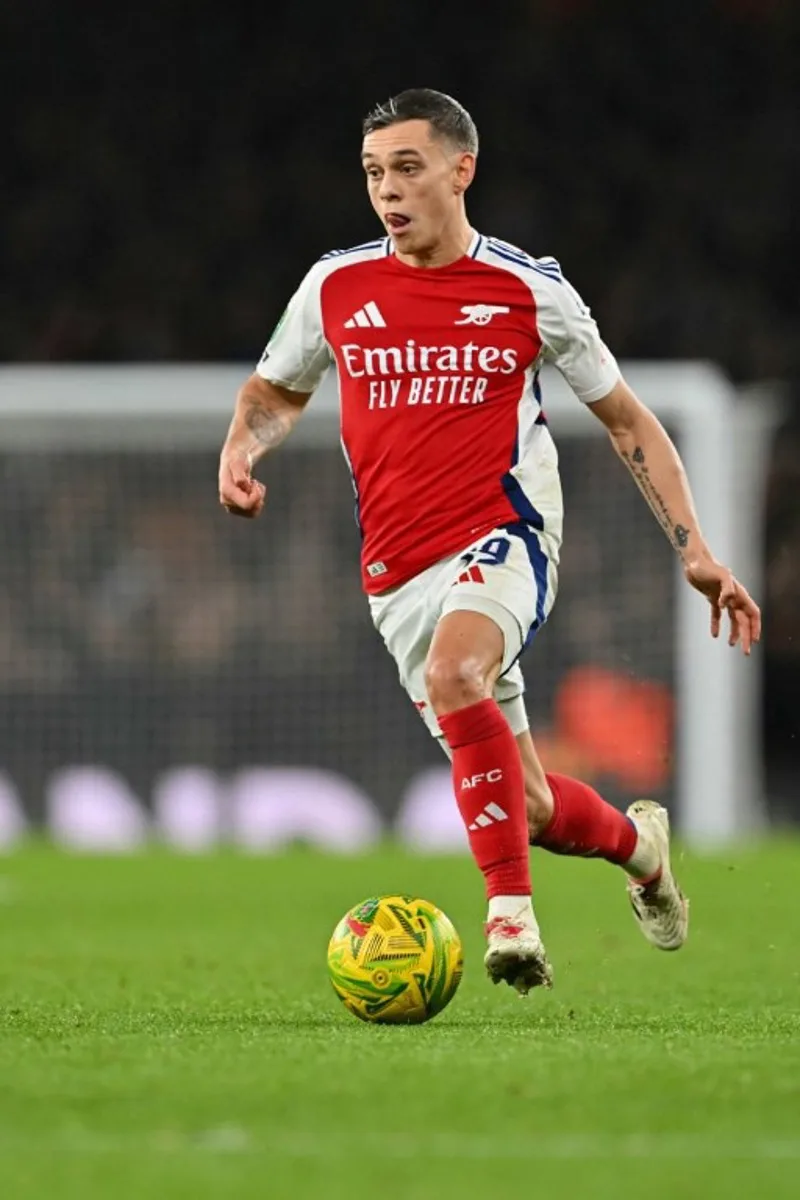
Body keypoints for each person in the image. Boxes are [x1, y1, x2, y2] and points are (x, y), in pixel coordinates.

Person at [218, 89, 761, 996]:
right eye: (372, 174)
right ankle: (643, 852)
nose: (387, 192)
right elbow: (274, 392)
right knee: (534, 806)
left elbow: (627, 420)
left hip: (505, 533)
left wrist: (695, 548)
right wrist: (241, 450)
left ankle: (510, 920)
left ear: (461, 169)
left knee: (457, 672)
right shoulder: (335, 286)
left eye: (406, 168)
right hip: (396, 574)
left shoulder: (528, 288)